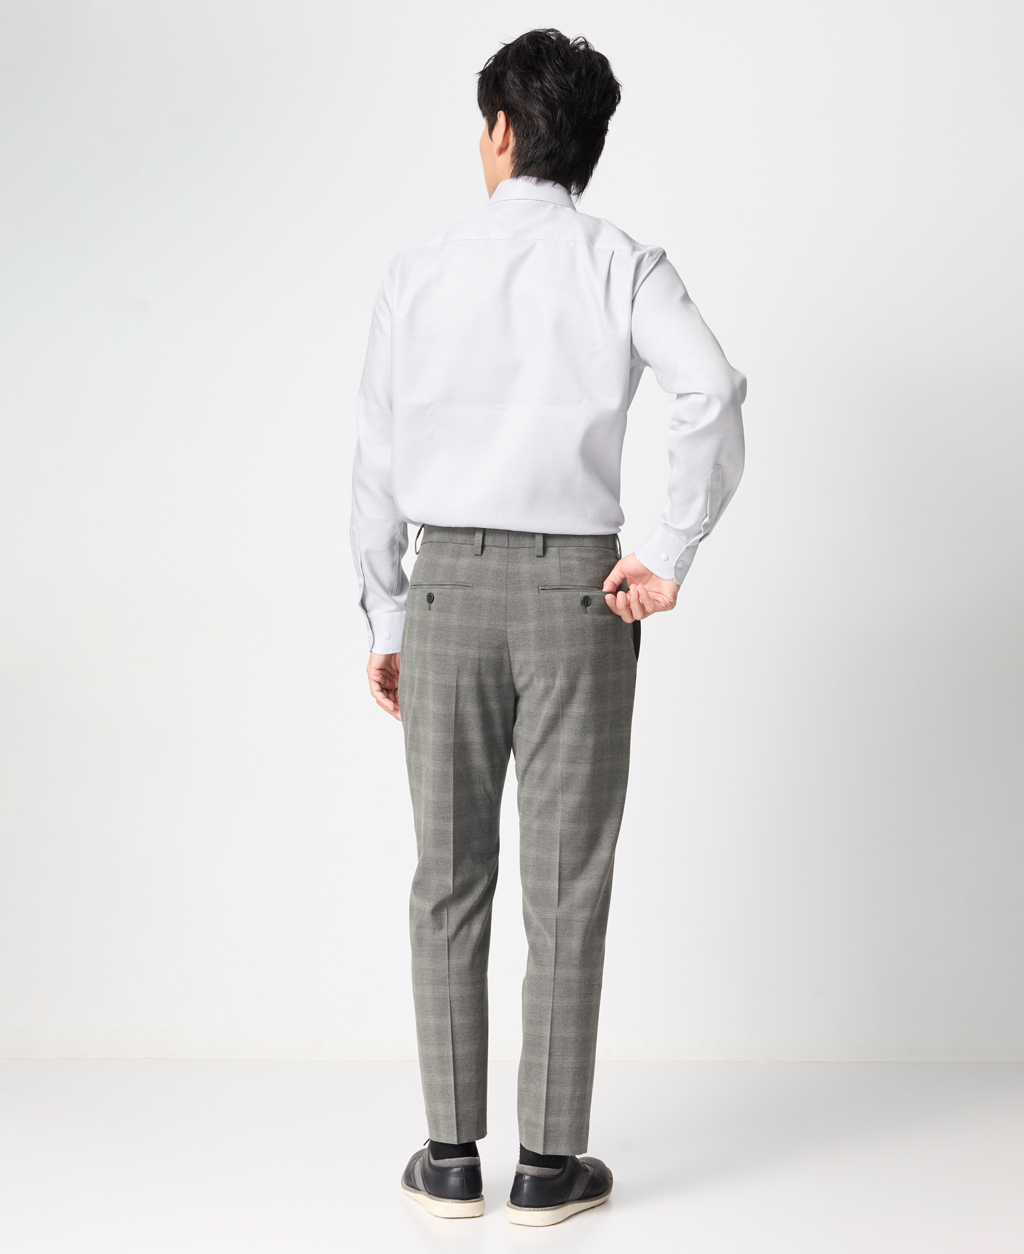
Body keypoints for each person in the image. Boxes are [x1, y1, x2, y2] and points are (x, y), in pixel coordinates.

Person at [350, 28, 746, 1227]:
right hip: (582, 596)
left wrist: (385, 610)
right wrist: (666, 554)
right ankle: (547, 1168)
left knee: (446, 878)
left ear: (502, 130)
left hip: (444, 592)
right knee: (567, 885)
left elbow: (377, 457)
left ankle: (447, 1160)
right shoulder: (622, 263)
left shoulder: (418, 271)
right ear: (584, 141)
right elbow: (712, 387)